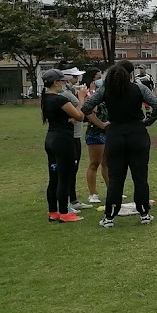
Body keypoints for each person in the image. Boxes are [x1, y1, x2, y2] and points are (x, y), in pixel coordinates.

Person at [81, 63, 157, 227]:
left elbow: (86, 107)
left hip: (115, 134)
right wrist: (147, 121)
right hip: (137, 134)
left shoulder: (105, 90)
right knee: (140, 176)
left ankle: (109, 216)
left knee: (115, 178)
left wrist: (102, 124)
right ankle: (144, 213)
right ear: (129, 75)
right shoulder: (139, 89)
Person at [41, 69, 87, 223]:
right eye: (62, 81)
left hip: (51, 139)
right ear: (56, 83)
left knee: (54, 177)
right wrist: (81, 100)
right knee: (65, 177)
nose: (64, 83)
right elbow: (80, 116)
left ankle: (53, 212)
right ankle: (64, 213)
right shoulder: (60, 100)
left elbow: (64, 117)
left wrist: (71, 118)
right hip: (63, 141)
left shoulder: (46, 98)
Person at [60, 67, 88, 211]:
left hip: (75, 135)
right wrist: (82, 98)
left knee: (72, 169)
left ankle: (72, 199)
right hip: (71, 136)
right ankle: (70, 201)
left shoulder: (69, 92)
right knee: (70, 169)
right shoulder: (65, 94)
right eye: (75, 77)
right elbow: (79, 114)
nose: (77, 80)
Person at [81, 67, 110, 204]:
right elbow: (90, 111)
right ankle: (93, 193)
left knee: (107, 163)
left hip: (107, 132)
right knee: (95, 163)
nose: (100, 80)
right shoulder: (90, 95)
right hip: (95, 132)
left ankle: (112, 190)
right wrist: (101, 124)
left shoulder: (105, 93)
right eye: (97, 77)